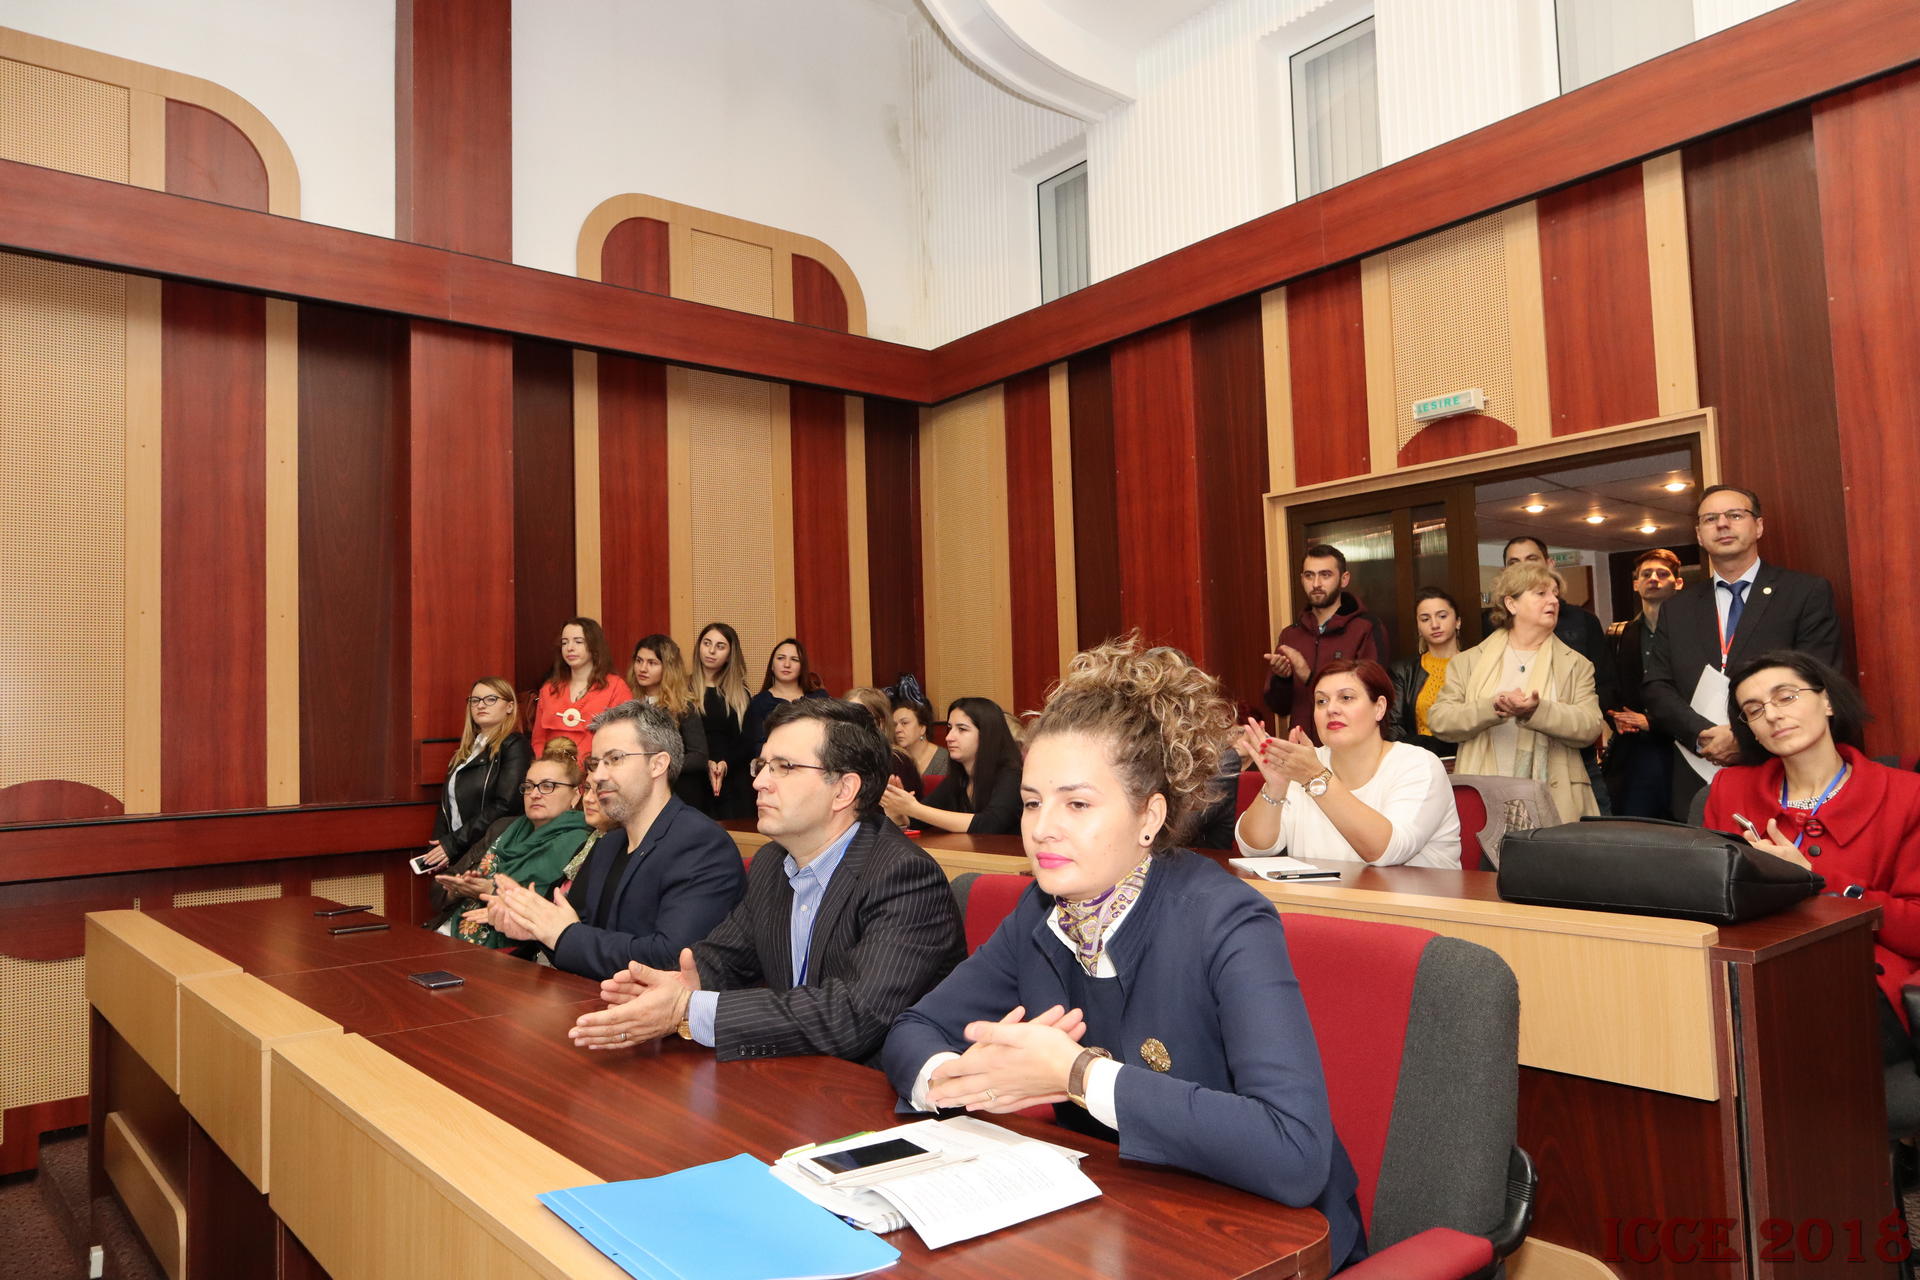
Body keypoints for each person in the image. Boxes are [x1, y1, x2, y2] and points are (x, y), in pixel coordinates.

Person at [881, 633, 1365, 1271]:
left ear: (1149, 816)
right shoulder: (1040, 911)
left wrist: (1076, 1075)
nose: (1042, 828)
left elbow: (1295, 1153)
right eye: (1031, 803)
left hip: (1271, 1245)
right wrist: (964, 1077)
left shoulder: (1227, 919)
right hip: (1124, 1225)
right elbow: (913, 1029)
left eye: (1077, 803)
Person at [563, 699, 967, 1064]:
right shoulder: (774, 862)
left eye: (784, 767)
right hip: (795, 1074)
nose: (758, 782)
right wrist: (679, 983)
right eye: (763, 766)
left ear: (844, 789)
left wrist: (687, 1009)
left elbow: (851, 1016)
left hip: (880, 1091)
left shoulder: (904, 876)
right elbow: (727, 957)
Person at [1704, 651, 1920, 1042]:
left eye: (1786, 697)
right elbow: (1706, 903)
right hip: (1748, 970)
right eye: (1754, 710)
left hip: (1855, 979)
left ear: (1828, 701)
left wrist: (1815, 880)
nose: (1772, 715)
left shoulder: (1907, 795)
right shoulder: (1729, 789)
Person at [485, 699, 746, 980]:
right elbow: (577, 935)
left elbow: (671, 959)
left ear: (657, 764)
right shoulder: (607, 844)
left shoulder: (701, 844)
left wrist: (562, 934)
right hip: (590, 997)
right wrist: (535, 928)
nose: (597, 776)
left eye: (614, 759)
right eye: (595, 763)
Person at [1643, 484, 1842, 820]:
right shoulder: (1677, 608)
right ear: (1699, 534)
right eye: (1710, 519)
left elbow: (1818, 678)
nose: (1722, 524)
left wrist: (1743, 736)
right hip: (1698, 771)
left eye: (1735, 515)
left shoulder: (1804, 592)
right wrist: (1703, 736)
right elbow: (1656, 686)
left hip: (1782, 769)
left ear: (1758, 526)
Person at [1235, 660, 1461, 867]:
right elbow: (1254, 848)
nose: (1331, 709)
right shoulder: (1307, 763)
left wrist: (1315, 777)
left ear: (1379, 708)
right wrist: (1276, 787)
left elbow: (1387, 851)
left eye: (1346, 698)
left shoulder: (1418, 765)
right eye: (1321, 701)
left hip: (1411, 898)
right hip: (1316, 898)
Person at [1430, 561, 1603, 824]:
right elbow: (1441, 721)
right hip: (1484, 799)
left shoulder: (1576, 664)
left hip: (1555, 801)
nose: (1553, 601)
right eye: (1541, 593)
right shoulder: (1468, 662)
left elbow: (1590, 726)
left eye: (1555, 594)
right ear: (1511, 604)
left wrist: (1537, 711)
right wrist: (1492, 707)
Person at [1500, 536, 1621, 814]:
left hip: (1576, 754)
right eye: (1514, 563)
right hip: (1512, 754)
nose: (1523, 568)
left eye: (1531, 560)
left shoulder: (1582, 621)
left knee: (1587, 831)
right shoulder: (1494, 628)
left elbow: (1605, 686)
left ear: (1549, 564)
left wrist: (1564, 714)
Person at [430, 747, 590, 948]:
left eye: (547, 786)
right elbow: (439, 888)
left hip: (511, 950)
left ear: (576, 794)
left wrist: (491, 890)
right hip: (446, 929)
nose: (535, 794)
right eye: (529, 786)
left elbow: (552, 914)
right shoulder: (503, 827)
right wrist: (457, 890)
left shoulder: (580, 842)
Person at [1263, 544, 1389, 745]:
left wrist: (1308, 675)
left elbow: (1373, 694)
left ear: (1344, 579)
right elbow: (1279, 707)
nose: (1316, 584)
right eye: (1309, 576)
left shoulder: (1365, 627)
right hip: (1304, 749)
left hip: (1352, 749)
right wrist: (1282, 679)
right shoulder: (1291, 635)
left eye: (1325, 575)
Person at [422, 677, 531, 872]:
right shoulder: (466, 751)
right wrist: (437, 849)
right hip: (460, 850)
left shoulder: (515, 745)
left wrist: (452, 844)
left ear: (509, 706)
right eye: (475, 700)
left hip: (489, 852)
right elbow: (447, 806)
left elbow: (506, 806)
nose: (481, 705)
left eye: (491, 699)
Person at [1605, 549, 1684, 817]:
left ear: (1678, 582)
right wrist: (1615, 717)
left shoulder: (1693, 633)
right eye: (1646, 574)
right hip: (1633, 749)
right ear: (1635, 584)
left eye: (1662, 574)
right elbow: (1607, 683)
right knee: (1636, 825)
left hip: (1681, 746)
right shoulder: (1620, 633)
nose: (1653, 579)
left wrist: (1654, 721)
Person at [880, 697, 1021, 834]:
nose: (948, 737)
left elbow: (991, 824)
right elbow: (919, 820)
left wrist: (914, 809)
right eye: (950, 728)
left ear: (987, 734)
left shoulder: (1012, 774)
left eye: (962, 729)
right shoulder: (959, 778)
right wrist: (897, 811)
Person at [629, 634, 712, 814]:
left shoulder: (684, 706)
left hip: (679, 795)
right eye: (639, 661)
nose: (642, 668)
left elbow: (699, 757)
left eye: (652, 663)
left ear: (668, 668)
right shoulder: (630, 703)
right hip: (640, 794)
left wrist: (659, 764)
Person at [531, 617, 631, 759]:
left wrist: (597, 767)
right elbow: (538, 740)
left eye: (578, 642)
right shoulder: (548, 689)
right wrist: (547, 766)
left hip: (595, 768)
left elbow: (622, 739)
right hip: (552, 768)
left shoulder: (616, 687)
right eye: (564, 642)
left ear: (594, 646)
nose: (570, 648)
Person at [1388, 588, 1464, 759]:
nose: (1434, 624)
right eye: (1425, 619)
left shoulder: (1477, 665)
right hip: (1419, 762)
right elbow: (1393, 729)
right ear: (1418, 627)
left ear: (1458, 621)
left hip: (1468, 760)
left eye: (1442, 616)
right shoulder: (1403, 671)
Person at [739, 637, 829, 773]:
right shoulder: (758, 703)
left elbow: (829, 737)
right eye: (781, 658)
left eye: (795, 659)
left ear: (802, 667)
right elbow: (754, 747)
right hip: (776, 771)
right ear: (772, 665)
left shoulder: (819, 698)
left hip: (815, 769)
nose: (787, 664)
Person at [692, 622, 754, 820]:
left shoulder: (741, 693)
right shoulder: (684, 689)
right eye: (707, 643)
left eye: (720, 646)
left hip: (733, 774)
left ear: (730, 654)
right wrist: (706, 763)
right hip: (695, 775)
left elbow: (746, 741)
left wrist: (725, 764)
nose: (711, 651)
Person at [845, 686, 923, 801]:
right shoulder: (840, 756)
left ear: (880, 724)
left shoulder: (897, 761)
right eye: (847, 717)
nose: (851, 724)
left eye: (859, 717)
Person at [891, 700, 950, 779]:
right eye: (894, 725)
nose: (897, 730)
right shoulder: (896, 758)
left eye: (904, 723)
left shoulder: (943, 760)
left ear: (922, 728)